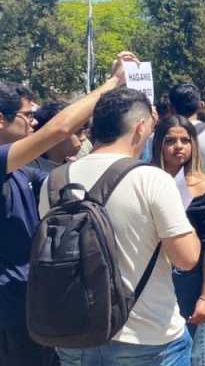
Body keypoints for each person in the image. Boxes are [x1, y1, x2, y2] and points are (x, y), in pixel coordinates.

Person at [39, 85, 202, 365]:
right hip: (149, 338)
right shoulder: (151, 179)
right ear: (139, 128)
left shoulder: (55, 180)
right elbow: (186, 259)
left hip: (75, 335)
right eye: (152, 127)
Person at [0, 54, 135, 366]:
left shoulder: (22, 168)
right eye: (26, 115)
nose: (33, 121)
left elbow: (74, 170)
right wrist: (113, 83)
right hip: (8, 309)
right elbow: (59, 128)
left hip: (30, 301)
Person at [153, 116, 205, 366]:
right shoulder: (144, 181)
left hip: (192, 285)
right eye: (170, 140)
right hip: (153, 283)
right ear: (158, 145)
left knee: (193, 356)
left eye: (185, 140)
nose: (179, 146)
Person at [26, 101, 88, 175]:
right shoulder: (33, 172)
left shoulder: (74, 168)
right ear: (55, 133)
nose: (83, 138)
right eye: (78, 132)